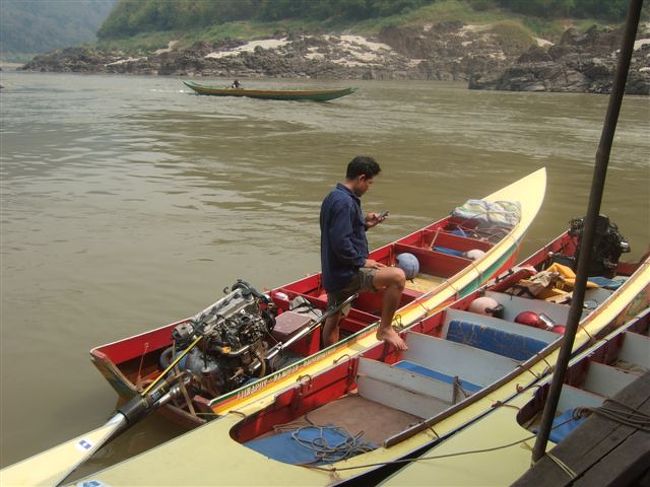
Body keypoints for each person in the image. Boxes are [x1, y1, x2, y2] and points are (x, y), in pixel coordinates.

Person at [320, 156, 408, 351]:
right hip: (346, 273)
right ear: (361, 178)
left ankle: (329, 356)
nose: (369, 187)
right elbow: (340, 242)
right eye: (369, 182)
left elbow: (340, 232)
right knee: (397, 277)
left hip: (332, 272)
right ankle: (385, 328)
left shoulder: (334, 197)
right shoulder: (345, 202)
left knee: (334, 317)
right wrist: (361, 261)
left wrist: (364, 224)